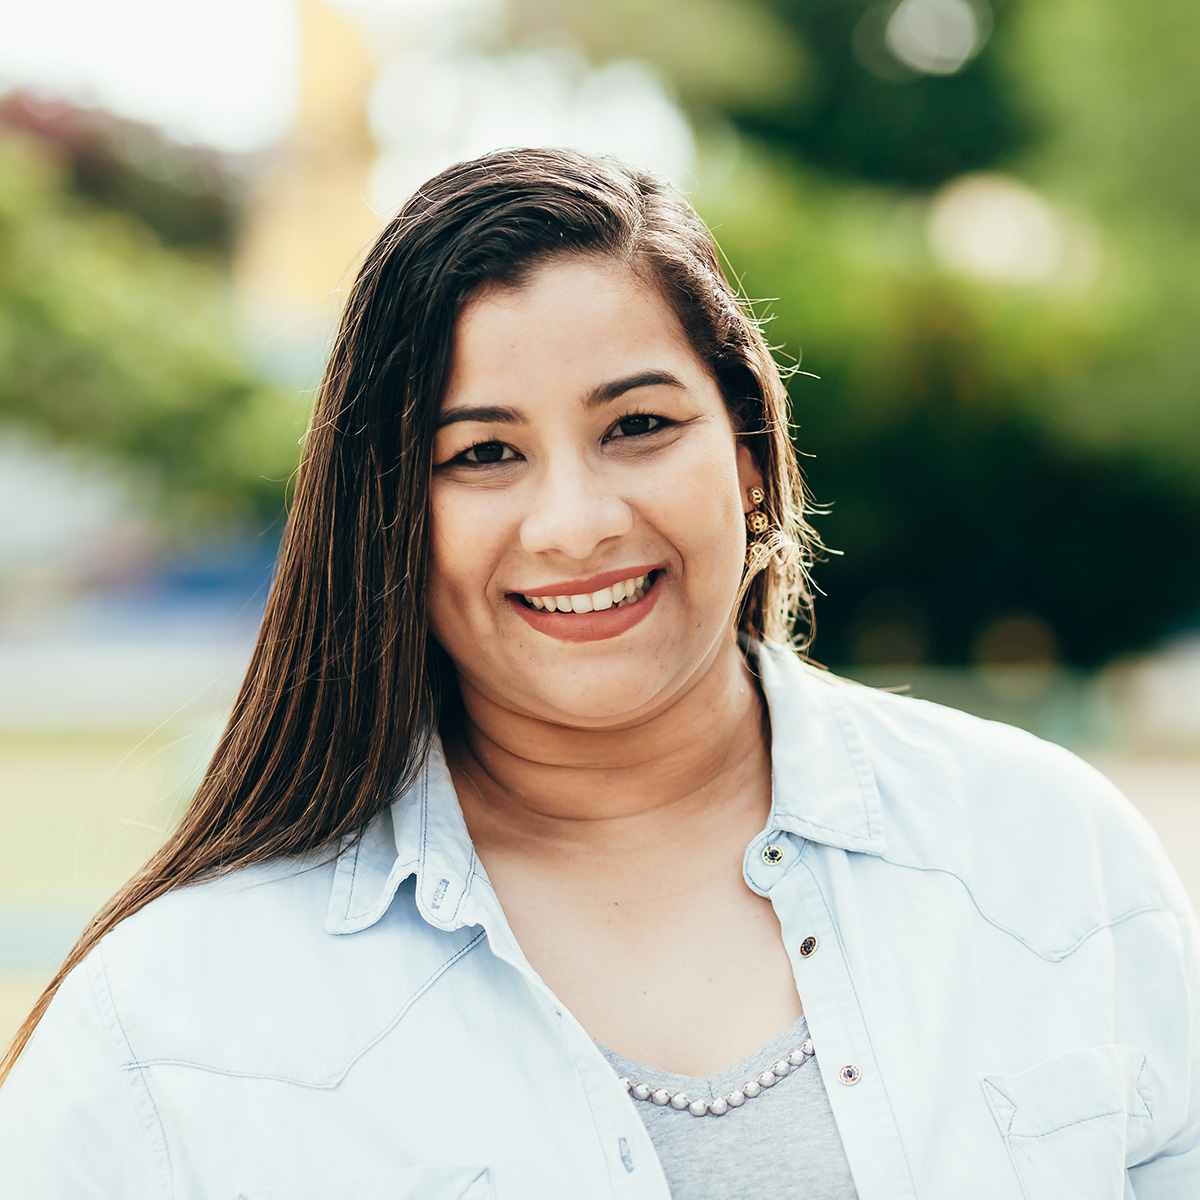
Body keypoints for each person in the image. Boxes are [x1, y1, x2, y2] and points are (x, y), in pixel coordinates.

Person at [1, 147, 1197, 1200]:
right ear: (386, 517)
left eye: (638, 426)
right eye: (482, 454)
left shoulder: (1048, 858)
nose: (573, 524)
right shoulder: (175, 1020)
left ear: (747, 450)